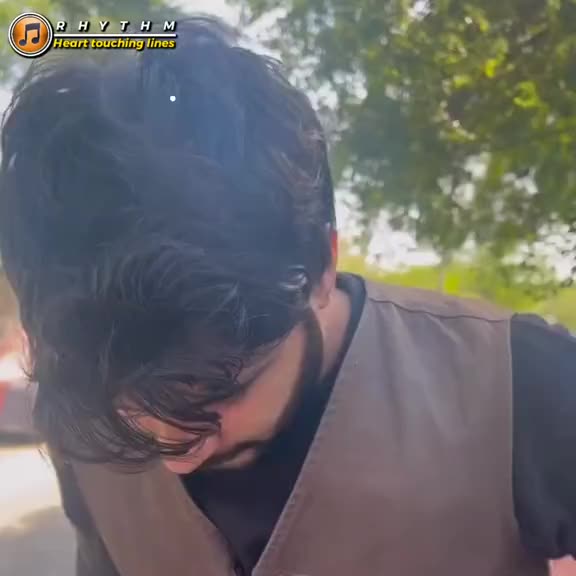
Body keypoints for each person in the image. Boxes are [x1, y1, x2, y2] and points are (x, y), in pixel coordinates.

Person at [0, 16, 575, 576]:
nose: (172, 446)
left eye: (219, 389)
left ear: (322, 262)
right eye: (124, 405)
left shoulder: (519, 384)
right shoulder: (82, 425)